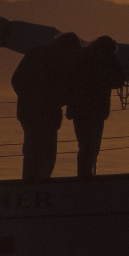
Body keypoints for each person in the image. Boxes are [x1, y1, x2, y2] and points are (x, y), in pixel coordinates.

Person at [11, 32, 82, 182]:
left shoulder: (36, 54)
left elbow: (17, 80)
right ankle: (38, 185)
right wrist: (41, 101)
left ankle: (32, 184)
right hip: (41, 114)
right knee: (43, 153)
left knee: (35, 152)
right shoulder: (58, 60)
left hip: (34, 113)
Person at [65, 36, 125, 178]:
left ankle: (85, 176)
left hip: (80, 110)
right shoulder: (105, 62)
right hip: (95, 110)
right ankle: (87, 177)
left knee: (85, 146)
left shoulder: (80, 59)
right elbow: (118, 80)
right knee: (91, 147)